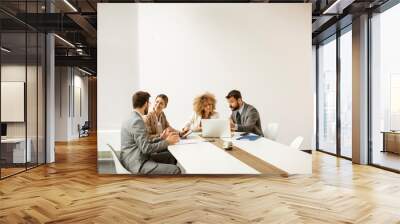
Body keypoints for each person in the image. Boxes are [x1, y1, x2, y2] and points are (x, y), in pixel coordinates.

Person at [120, 91, 181, 174]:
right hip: (137, 162)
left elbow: (144, 141)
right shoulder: (137, 121)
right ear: (146, 104)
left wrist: (161, 138)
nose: (150, 105)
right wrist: (167, 142)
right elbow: (146, 148)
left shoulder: (132, 117)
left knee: (170, 157)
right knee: (176, 170)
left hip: (135, 157)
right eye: (149, 103)